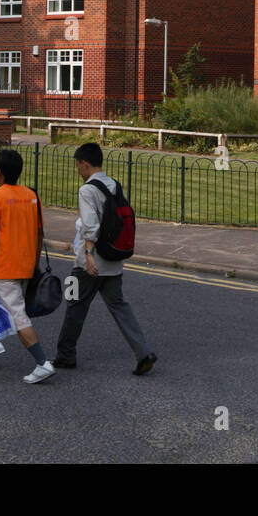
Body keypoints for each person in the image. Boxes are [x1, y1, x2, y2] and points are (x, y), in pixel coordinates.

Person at [54, 142, 157, 375]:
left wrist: (88, 256)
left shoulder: (87, 190)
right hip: (113, 260)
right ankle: (143, 352)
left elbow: (90, 226)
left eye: (78, 165)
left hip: (88, 264)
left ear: (84, 163)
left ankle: (65, 355)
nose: (78, 170)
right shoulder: (114, 185)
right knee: (119, 306)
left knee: (73, 303)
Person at [0, 149, 55, 384]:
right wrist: (35, 263)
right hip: (26, 266)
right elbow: (40, 233)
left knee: (18, 317)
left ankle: (42, 363)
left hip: (5, 268)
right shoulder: (31, 196)